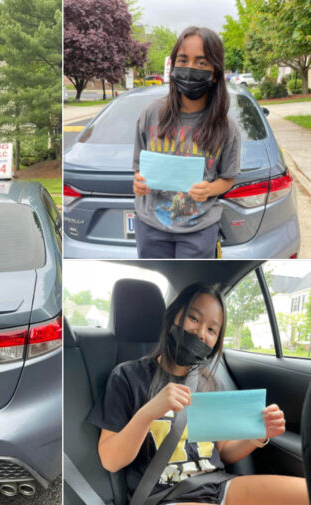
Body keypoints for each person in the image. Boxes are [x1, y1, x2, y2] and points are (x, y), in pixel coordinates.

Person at [89, 284, 308, 505]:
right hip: (165, 496)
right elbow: (110, 460)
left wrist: (257, 436)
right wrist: (148, 413)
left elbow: (222, 452)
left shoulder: (210, 382)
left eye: (212, 330)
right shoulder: (128, 376)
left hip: (219, 486)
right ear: (174, 316)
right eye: (193, 319)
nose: (201, 333)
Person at [132, 27, 241, 259]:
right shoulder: (151, 114)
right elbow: (138, 170)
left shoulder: (226, 127)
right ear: (173, 66)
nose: (190, 69)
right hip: (151, 226)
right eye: (183, 60)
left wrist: (210, 189)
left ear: (215, 73)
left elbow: (228, 178)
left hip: (199, 230)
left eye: (201, 63)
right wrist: (138, 183)